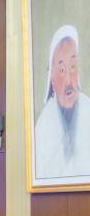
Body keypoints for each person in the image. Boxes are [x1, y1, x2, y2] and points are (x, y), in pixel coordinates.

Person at [33, 24, 90, 182]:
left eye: (72, 67)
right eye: (62, 70)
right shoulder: (43, 125)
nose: (69, 81)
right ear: (52, 79)